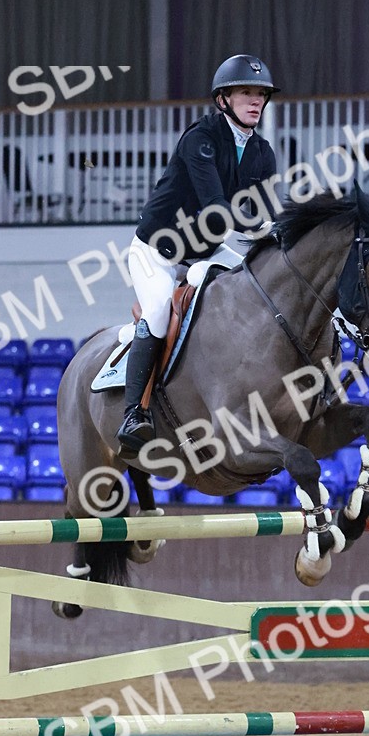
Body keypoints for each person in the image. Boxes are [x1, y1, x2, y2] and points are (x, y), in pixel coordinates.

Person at [116, 54, 279, 453]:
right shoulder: (200, 140)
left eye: (260, 94)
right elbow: (216, 208)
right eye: (246, 92)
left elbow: (265, 210)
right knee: (156, 311)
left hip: (205, 252)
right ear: (223, 99)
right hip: (157, 251)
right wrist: (258, 225)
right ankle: (133, 412)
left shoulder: (262, 152)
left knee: (256, 291)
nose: (255, 100)